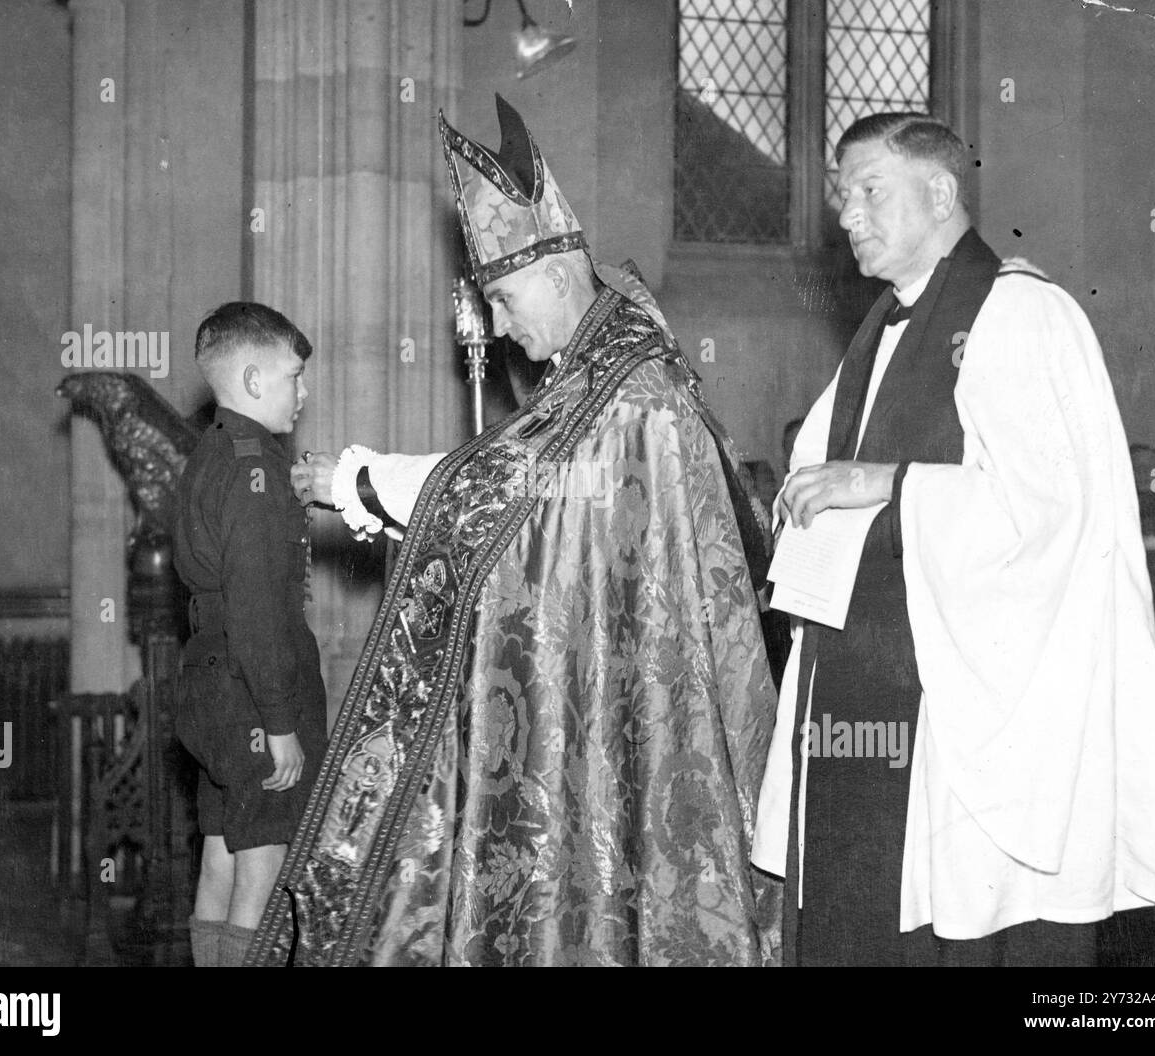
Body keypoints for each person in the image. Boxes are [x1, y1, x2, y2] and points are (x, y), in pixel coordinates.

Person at [248, 95, 779, 966]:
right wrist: (371, 483)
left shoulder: (626, 387)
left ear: (558, 270)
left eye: (500, 296)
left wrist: (360, 478)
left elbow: (516, 490)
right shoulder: (609, 365)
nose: (497, 327)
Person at [752, 112, 1155, 966]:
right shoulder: (881, 328)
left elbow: (1050, 517)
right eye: (843, 196)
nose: (847, 215)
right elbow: (813, 477)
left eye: (870, 190)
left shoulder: (1022, 313)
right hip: (863, 690)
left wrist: (889, 482)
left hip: (961, 708)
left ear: (941, 191)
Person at [173, 302, 328, 967]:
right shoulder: (255, 473)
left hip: (210, 686)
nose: (304, 391)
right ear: (256, 380)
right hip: (252, 694)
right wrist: (281, 720)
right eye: (295, 376)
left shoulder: (216, 453)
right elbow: (260, 612)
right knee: (261, 878)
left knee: (221, 859)